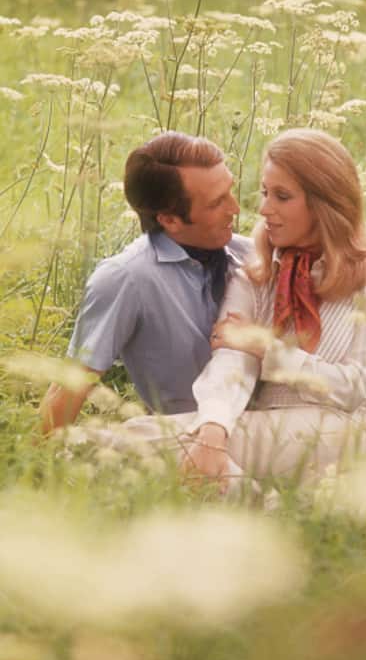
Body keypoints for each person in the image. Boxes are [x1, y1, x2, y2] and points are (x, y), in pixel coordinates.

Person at [118, 129, 366, 483]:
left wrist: (267, 349)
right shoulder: (256, 272)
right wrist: (213, 429)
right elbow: (231, 361)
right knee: (136, 438)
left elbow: (356, 386)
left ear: (324, 203)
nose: (261, 209)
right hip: (286, 421)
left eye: (281, 196)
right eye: (264, 192)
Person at [40, 132, 251, 471]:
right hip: (188, 440)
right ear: (169, 220)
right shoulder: (125, 279)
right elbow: (70, 387)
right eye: (216, 202)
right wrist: (33, 475)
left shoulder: (250, 254)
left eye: (230, 191)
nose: (235, 209)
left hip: (279, 424)